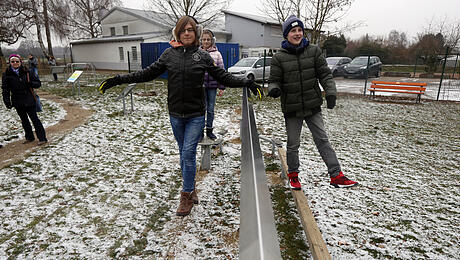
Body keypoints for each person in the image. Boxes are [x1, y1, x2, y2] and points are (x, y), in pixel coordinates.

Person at [98, 15, 262, 216]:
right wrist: (117, 80)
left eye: (190, 30)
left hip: (195, 114)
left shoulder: (202, 56)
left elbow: (223, 76)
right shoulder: (169, 54)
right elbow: (146, 73)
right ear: (178, 32)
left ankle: (185, 196)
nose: (186, 33)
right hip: (175, 114)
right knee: (184, 154)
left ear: (196, 34)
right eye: (183, 30)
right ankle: (191, 188)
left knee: (187, 153)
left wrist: (247, 81)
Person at [267, 15, 358, 189]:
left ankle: (336, 175)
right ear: (286, 34)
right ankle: (293, 175)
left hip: (312, 105)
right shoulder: (279, 57)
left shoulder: (314, 51)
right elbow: (274, 80)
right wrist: (273, 88)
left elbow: (324, 74)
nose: (297, 33)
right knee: (293, 144)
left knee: (322, 139)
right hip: (292, 107)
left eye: (300, 30)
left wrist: (330, 92)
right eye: (293, 31)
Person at [2, 54, 48, 145]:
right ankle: (29, 137)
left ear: (20, 62)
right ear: (10, 63)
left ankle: (42, 138)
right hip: (17, 101)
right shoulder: (6, 74)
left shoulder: (28, 72)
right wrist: (6, 101)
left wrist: (30, 83)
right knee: (24, 120)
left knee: (34, 119)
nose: (15, 63)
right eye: (13, 61)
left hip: (29, 99)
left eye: (17, 61)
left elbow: (38, 83)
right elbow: (5, 89)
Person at [200, 29, 225, 140]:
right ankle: (199, 131)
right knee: (201, 109)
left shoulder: (217, 54)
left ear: (212, 41)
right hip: (200, 86)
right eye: (204, 39)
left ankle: (209, 130)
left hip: (212, 86)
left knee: (210, 109)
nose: (206, 41)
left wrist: (222, 86)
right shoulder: (197, 52)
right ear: (201, 40)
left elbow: (221, 70)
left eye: (208, 39)